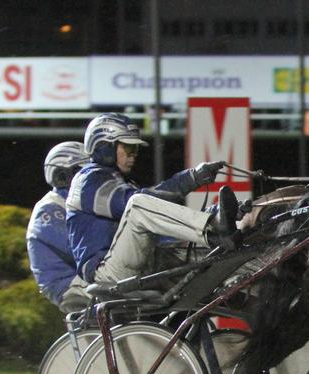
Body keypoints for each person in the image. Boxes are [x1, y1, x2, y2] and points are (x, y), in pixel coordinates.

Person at [66, 112, 237, 289]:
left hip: (134, 262)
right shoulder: (88, 180)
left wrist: (209, 212)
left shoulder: (116, 181)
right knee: (138, 204)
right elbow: (131, 204)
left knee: (189, 249)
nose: (134, 155)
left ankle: (217, 227)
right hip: (105, 273)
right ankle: (212, 230)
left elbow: (157, 225)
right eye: (128, 148)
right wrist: (191, 178)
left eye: (136, 150)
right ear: (105, 147)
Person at [26, 141, 91, 313]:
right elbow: (76, 248)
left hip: (78, 278)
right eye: (84, 172)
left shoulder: (72, 204)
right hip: (66, 284)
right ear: (63, 175)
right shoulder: (50, 208)